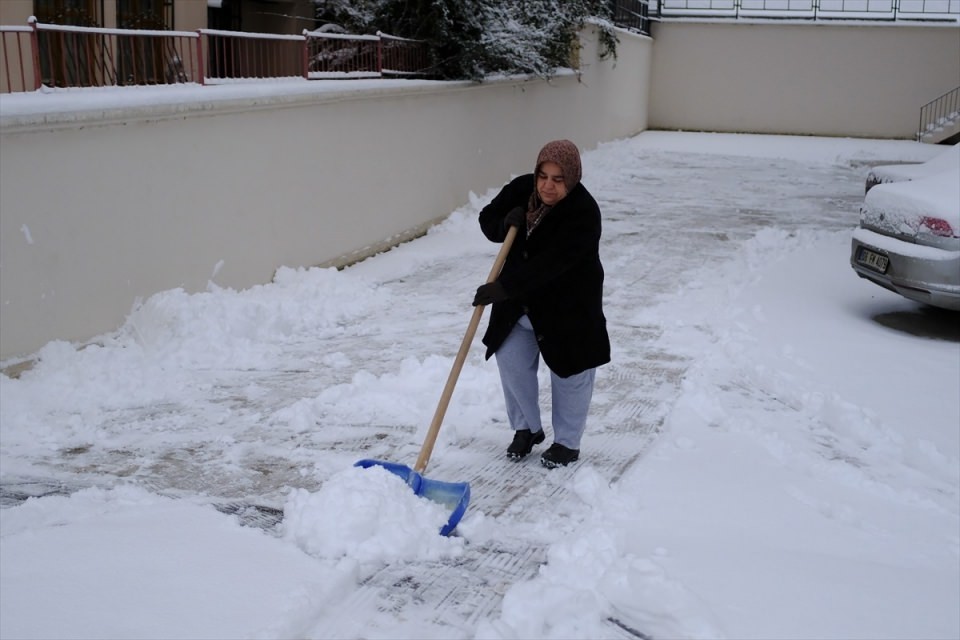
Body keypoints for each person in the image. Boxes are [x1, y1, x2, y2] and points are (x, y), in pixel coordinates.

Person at [473, 139, 610, 468]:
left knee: (570, 373)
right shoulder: (523, 188)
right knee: (511, 363)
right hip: (519, 306)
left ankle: (567, 443)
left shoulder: (583, 213)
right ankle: (526, 429)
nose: (548, 185)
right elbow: (487, 218)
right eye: (543, 176)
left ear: (572, 178)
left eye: (558, 179)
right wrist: (506, 221)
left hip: (568, 309)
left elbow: (551, 264)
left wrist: (504, 288)